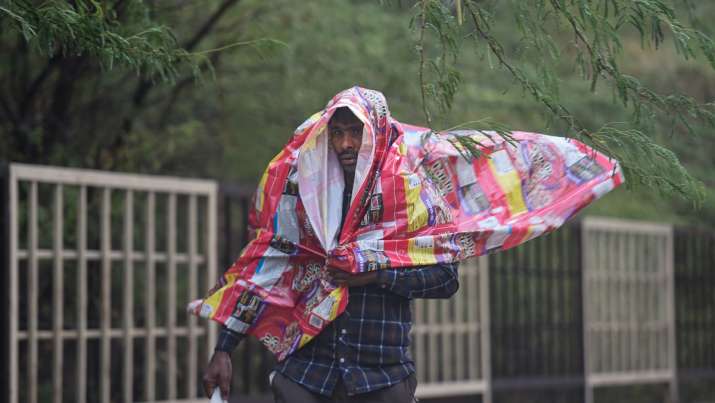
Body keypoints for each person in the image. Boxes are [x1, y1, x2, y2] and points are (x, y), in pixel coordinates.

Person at [202, 106, 460, 402]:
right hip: (306, 375)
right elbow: (267, 267)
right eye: (337, 133)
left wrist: (376, 275)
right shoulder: (305, 196)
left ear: (375, 135)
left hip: (382, 377)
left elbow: (446, 279)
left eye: (355, 132)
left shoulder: (410, 198)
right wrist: (224, 348)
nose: (345, 144)